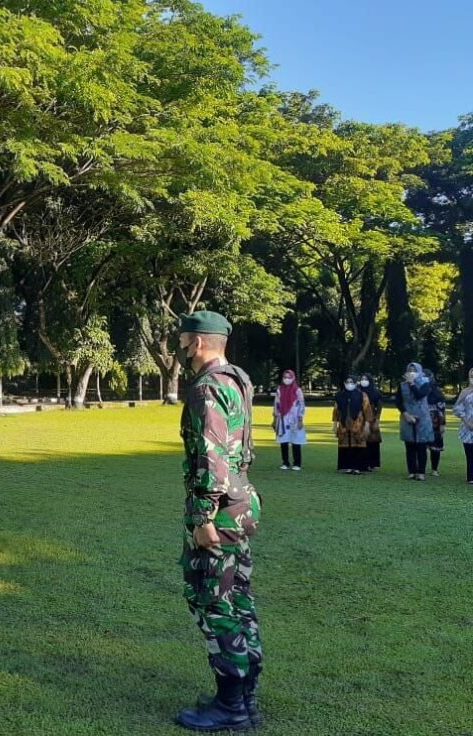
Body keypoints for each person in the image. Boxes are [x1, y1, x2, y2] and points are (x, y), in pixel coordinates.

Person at [173, 311, 262, 731]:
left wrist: (201, 515)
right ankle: (243, 694)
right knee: (239, 598)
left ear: (200, 342)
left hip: (219, 509)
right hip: (241, 503)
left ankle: (231, 706)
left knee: (214, 601)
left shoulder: (207, 388)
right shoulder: (236, 380)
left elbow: (211, 459)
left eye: (184, 339)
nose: (179, 347)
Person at [395, 362, 433, 481]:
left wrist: (411, 383)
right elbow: (398, 401)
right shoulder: (402, 385)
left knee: (421, 446)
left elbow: (419, 395)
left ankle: (421, 472)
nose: (411, 373)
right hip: (407, 416)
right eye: (409, 370)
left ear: (419, 372)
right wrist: (405, 414)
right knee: (409, 445)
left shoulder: (425, 384)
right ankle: (411, 471)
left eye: (414, 370)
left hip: (422, 417)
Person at [333, 375, 374, 475]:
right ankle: (347, 466)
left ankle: (358, 467)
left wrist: (367, 424)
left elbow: (367, 410)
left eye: (352, 382)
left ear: (356, 383)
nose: (349, 384)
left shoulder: (362, 395)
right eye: (347, 382)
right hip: (344, 424)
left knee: (358, 444)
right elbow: (336, 411)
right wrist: (335, 424)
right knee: (346, 445)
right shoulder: (339, 395)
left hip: (358, 424)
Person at [273, 369, 305, 471]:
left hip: (295, 418)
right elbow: (276, 404)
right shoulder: (279, 389)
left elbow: (301, 405)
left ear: (293, 378)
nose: (287, 379)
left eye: (289, 377)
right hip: (283, 418)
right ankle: (285, 462)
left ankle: (297, 463)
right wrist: (275, 418)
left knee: (296, 441)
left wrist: (300, 419)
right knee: (284, 440)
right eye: (285, 377)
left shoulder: (297, 390)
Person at [451, 368, 473, 485]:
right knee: (470, 453)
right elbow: (457, 408)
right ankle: (471, 476)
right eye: (471, 375)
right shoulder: (465, 392)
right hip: (467, 425)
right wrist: (466, 420)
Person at [359, 373, 383, 471]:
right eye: (362, 378)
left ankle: (372, 463)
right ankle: (362, 462)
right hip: (359, 418)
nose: (363, 381)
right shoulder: (358, 391)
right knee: (361, 439)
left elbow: (379, 406)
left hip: (372, 418)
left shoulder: (375, 392)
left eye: (366, 379)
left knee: (372, 441)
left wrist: (377, 419)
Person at [426, 369, 446, 477]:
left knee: (435, 448)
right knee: (420, 447)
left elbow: (442, 410)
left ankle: (434, 469)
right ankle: (420, 468)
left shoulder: (437, 393)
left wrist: (442, 424)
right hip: (421, 423)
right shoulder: (419, 392)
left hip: (435, 424)